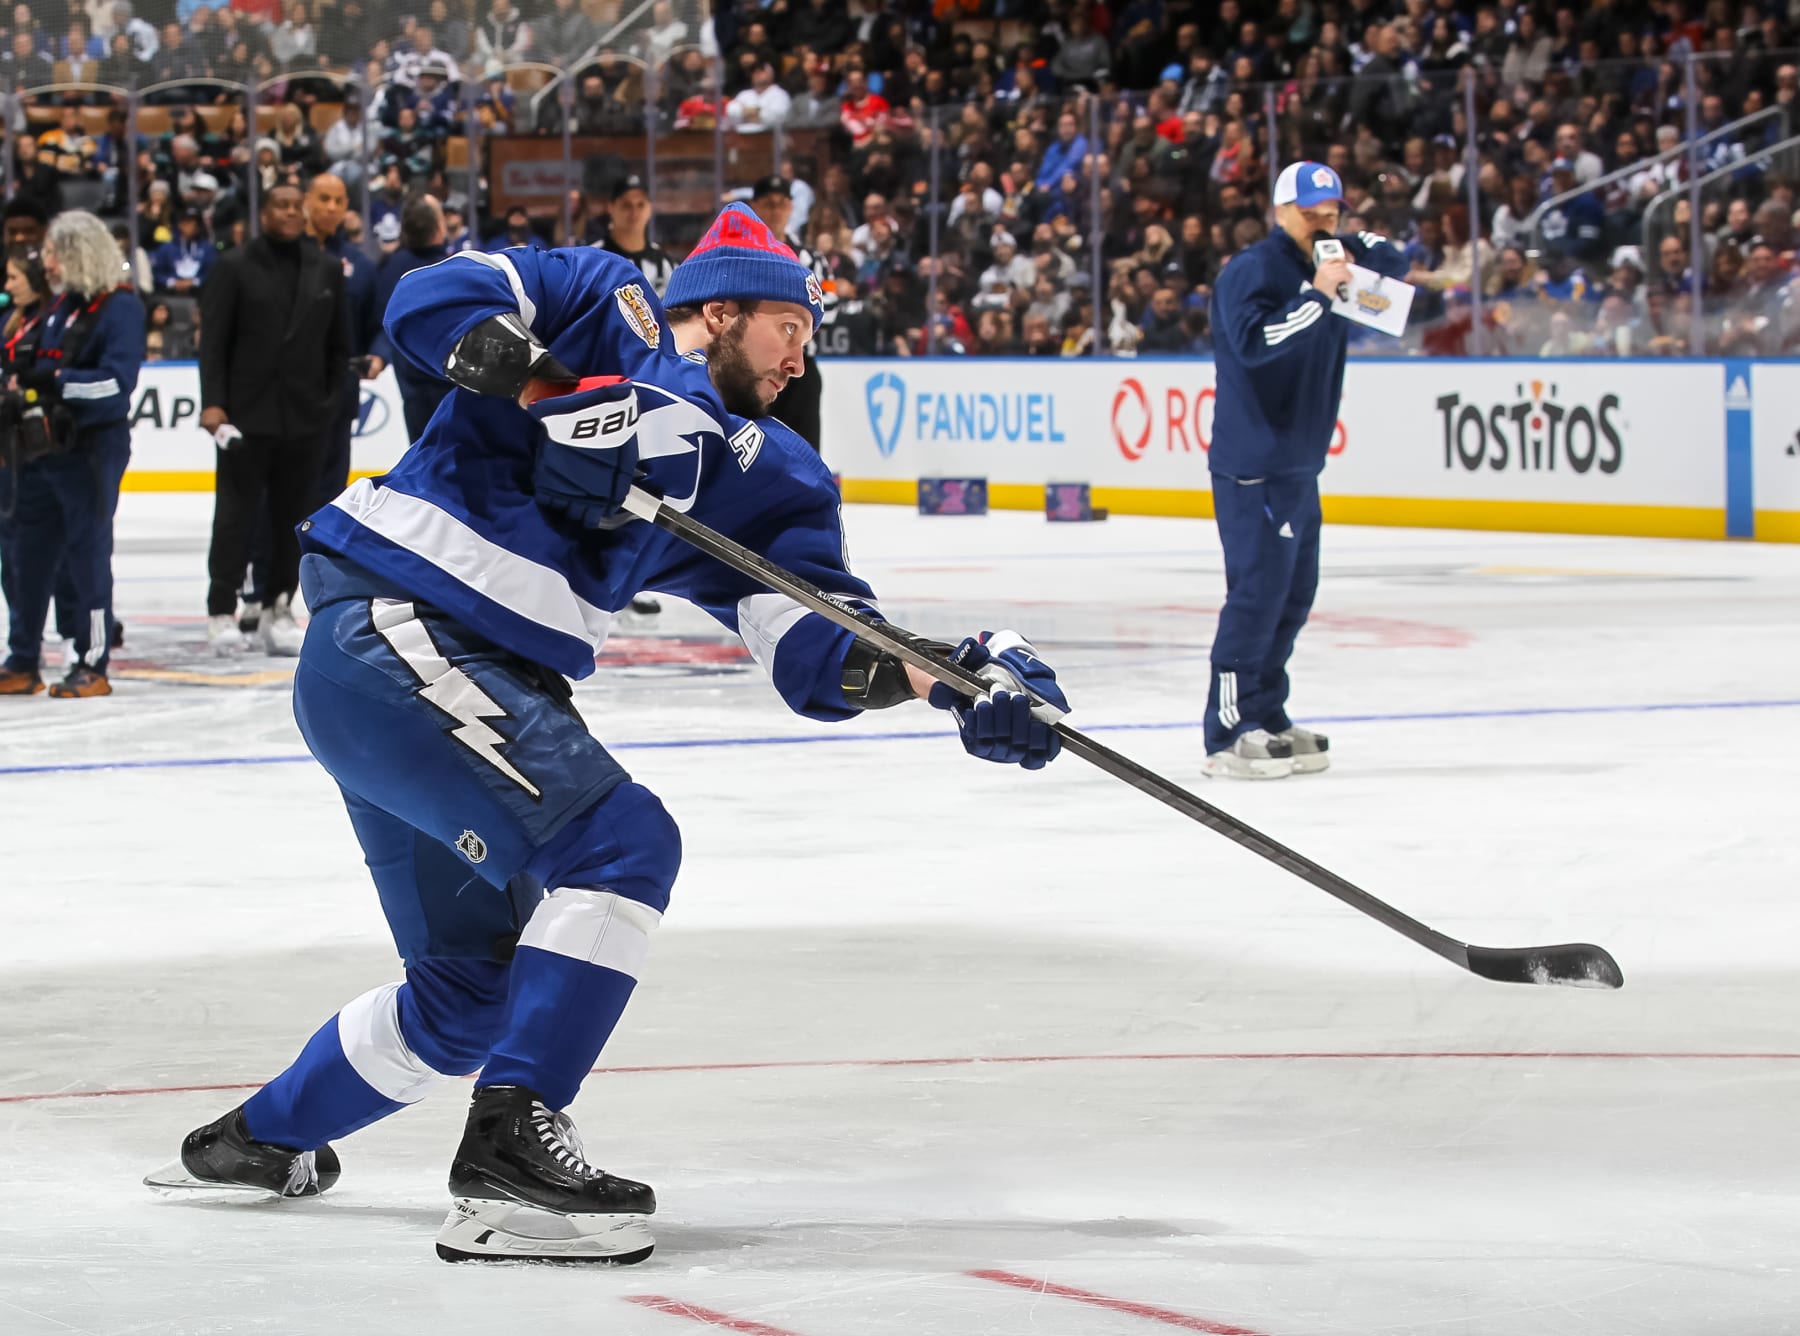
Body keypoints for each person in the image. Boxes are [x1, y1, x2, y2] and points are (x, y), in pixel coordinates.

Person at [148, 204, 1068, 1263]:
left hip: (430, 688)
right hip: (399, 626)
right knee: (619, 845)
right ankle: (509, 1160)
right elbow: (425, 300)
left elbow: (818, 643)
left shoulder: (769, 477)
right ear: (717, 309)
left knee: (468, 1001)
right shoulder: (600, 294)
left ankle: (257, 1142)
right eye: (789, 324)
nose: (801, 352)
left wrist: (959, 675)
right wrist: (552, 395)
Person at [1203, 161, 1408, 778]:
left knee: (1292, 598)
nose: (1324, 219)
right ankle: (1226, 732)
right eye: (1312, 210)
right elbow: (1256, 346)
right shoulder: (1253, 271)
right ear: (1281, 210)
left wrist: (1357, 247)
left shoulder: (1329, 258)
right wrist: (1318, 294)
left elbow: (1396, 272)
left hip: (1298, 464)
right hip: (1253, 467)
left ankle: (1267, 712)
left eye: (1332, 210)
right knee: (1256, 596)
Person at [198, 182, 349, 657]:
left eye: (293, 205)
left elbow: (339, 346)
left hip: (304, 419)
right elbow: (214, 344)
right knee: (235, 516)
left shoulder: (325, 268)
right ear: (263, 212)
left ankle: (277, 607)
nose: (287, 212)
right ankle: (222, 608)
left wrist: (326, 404)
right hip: (245, 417)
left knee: (293, 519)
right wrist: (214, 404)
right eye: (278, 205)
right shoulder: (234, 267)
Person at [0, 213, 144, 698]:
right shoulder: (59, 306)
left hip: (90, 450)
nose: (46, 261)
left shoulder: (120, 307)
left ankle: (91, 661)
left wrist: (54, 382)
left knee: (87, 554)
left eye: (54, 252)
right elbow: (37, 369)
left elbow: (115, 387)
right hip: (41, 450)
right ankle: (22, 658)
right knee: (27, 553)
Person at [744, 175, 832, 451]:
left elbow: (833, 305)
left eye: (782, 203)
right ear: (755, 206)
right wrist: (795, 312)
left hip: (800, 369)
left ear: (792, 207)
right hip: (751, 366)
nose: (776, 210)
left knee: (803, 451)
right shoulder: (740, 257)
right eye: (769, 203)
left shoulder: (813, 259)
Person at [369, 193, 451, 441]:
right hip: (451, 386)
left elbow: (380, 321)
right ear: (439, 227)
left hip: (412, 385)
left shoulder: (390, 266)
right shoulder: (452, 268)